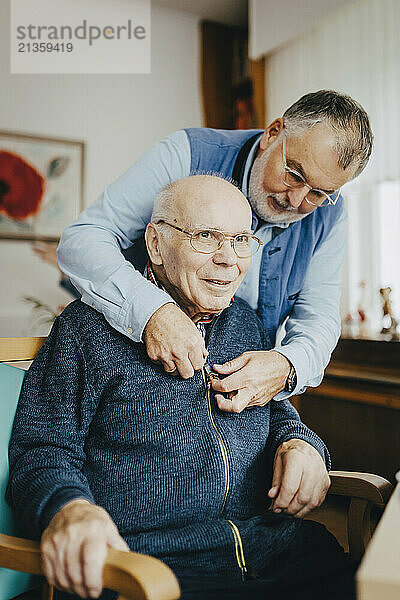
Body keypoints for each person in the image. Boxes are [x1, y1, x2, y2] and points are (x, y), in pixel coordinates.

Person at [7, 176, 354, 600]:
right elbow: (42, 449)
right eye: (206, 237)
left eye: (241, 239)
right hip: (149, 567)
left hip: (269, 551)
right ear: (156, 243)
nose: (229, 260)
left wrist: (300, 444)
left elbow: (274, 409)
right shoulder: (86, 328)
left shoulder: (243, 321)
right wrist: (70, 509)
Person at [57, 90, 373, 412]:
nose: (295, 200)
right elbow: (84, 240)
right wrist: (152, 311)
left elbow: (318, 317)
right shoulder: (185, 153)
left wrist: (286, 366)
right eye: (293, 174)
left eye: (318, 193)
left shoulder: (331, 216)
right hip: (143, 378)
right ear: (273, 133)